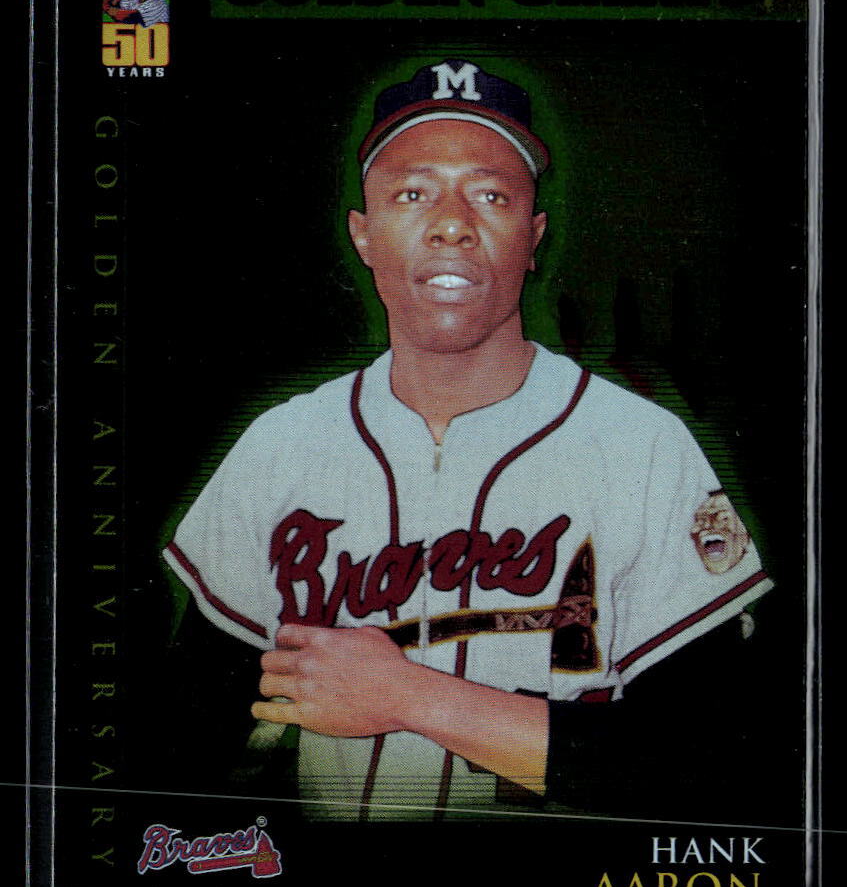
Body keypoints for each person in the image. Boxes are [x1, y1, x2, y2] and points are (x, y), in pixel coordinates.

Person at [162, 58, 773, 821]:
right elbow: (185, 739)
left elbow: (707, 759)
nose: (451, 223)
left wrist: (409, 696)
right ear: (362, 234)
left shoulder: (642, 446)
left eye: (490, 195)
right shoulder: (278, 446)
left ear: (532, 237)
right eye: (412, 193)